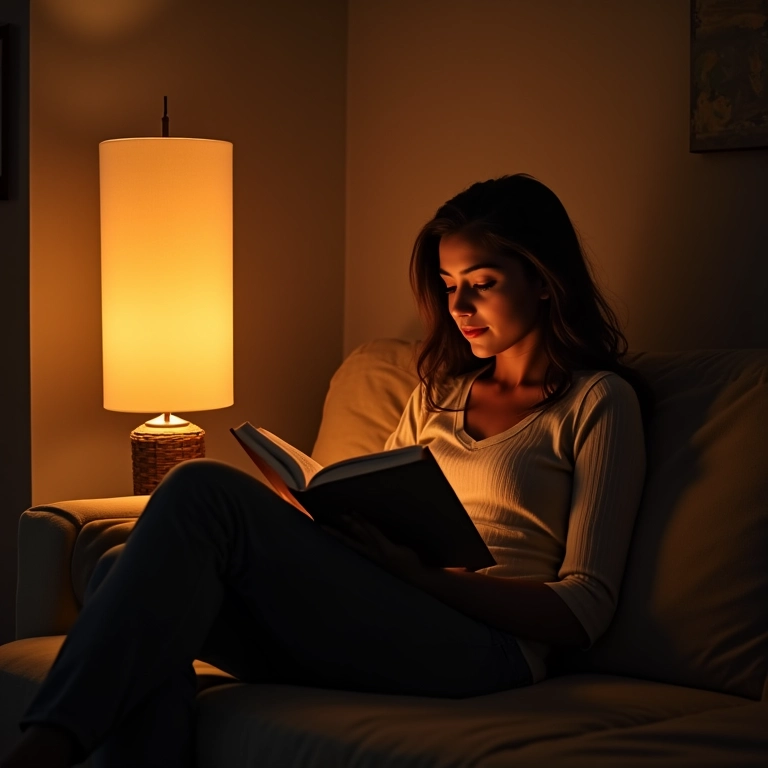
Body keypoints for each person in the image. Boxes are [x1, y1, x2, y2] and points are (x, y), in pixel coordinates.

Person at [1, 173, 650, 768]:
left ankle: (43, 750)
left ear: (543, 277)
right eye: (450, 286)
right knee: (124, 571)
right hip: (389, 607)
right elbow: (379, 499)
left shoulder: (596, 402)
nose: (460, 306)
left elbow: (584, 609)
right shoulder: (438, 394)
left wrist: (422, 577)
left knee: (201, 487)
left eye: (481, 283)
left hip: (487, 649)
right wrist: (320, 522)